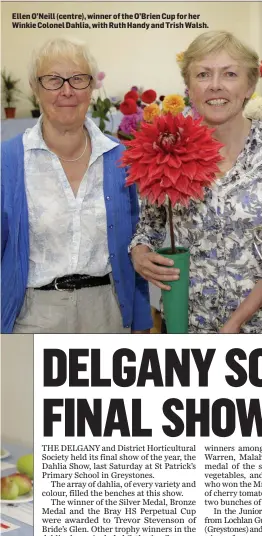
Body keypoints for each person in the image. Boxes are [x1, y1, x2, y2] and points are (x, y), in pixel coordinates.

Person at [130, 31, 262, 333]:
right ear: (188, 86)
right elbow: (149, 228)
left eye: (229, 74)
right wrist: (140, 254)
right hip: (186, 326)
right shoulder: (167, 142)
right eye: (203, 74)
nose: (215, 85)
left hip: (261, 330)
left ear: (250, 84)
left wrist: (235, 324)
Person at [1, 38, 152, 333]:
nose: (67, 90)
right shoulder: (7, 161)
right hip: (33, 317)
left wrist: (142, 322)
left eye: (78, 79)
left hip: (109, 313)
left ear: (92, 87)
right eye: (53, 80)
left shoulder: (122, 158)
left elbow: (138, 242)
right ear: (35, 87)